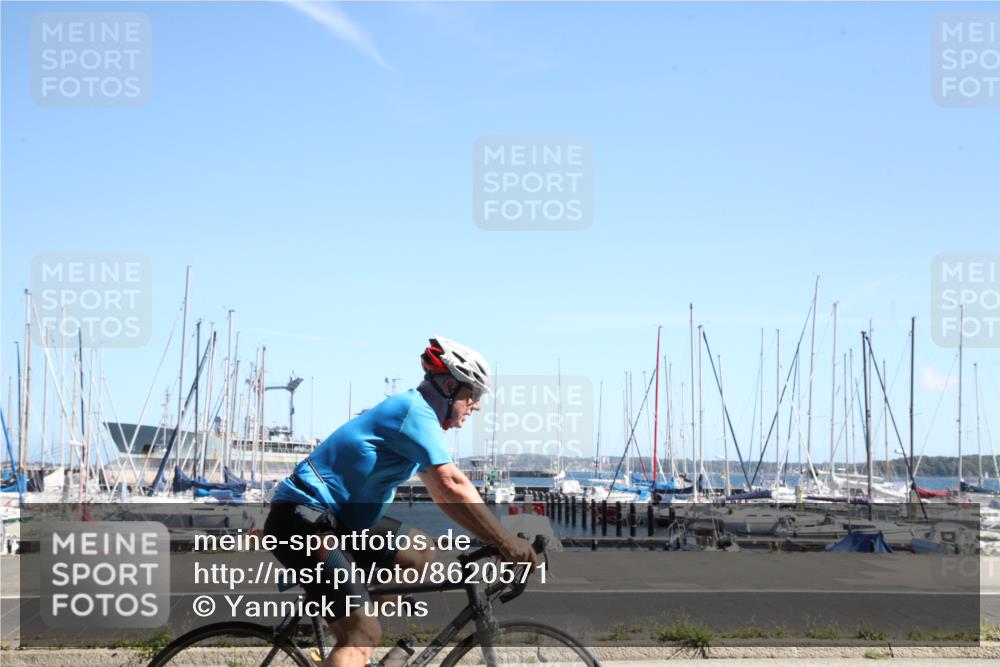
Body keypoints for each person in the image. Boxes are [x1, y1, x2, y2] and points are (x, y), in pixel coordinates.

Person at [265, 336, 537, 667]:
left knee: (418, 551)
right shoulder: (414, 412)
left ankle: (349, 638)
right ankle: (354, 638)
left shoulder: (416, 417)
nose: (476, 405)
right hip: (304, 521)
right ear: (450, 386)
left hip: (335, 522)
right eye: (473, 394)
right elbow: (451, 485)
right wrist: (504, 540)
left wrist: (492, 537)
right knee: (363, 634)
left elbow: (442, 494)